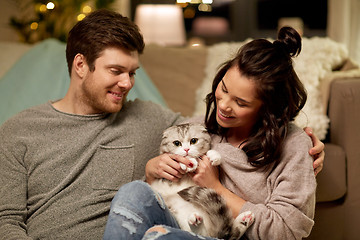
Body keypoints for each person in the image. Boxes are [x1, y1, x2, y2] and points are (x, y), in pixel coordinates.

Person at [0, 9, 323, 239]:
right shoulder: (19, 130)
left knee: (136, 194)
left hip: (148, 231)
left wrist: (310, 151)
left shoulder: (156, 119)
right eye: (116, 71)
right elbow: (6, 220)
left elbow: (203, 137)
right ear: (80, 65)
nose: (127, 84)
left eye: (133, 72)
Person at [103, 26, 318, 240]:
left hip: (227, 234)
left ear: (267, 110)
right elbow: (161, 200)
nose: (223, 106)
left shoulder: (293, 145)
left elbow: (286, 230)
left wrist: (215, 187)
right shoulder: (198, 129)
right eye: (223, 89)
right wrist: (152, 173)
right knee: (133, 192)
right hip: (181, 225)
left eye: (240, 102)